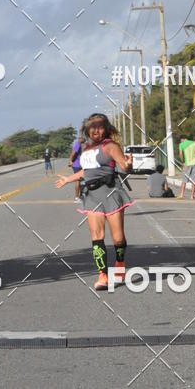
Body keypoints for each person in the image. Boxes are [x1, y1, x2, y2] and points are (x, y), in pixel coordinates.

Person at [55, 113, 133, 290]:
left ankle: (120, 264)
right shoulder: (87, 148)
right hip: (91, 195)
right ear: (87, 129)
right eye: (92, 127)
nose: (96, 130)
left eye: (100, 127)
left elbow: (124, 165)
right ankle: (103, 275)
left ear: (106, 129)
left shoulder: (110, 146)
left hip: (111, 193)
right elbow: (87, 171)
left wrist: (128, 165)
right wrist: (68, 179)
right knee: (97, 237)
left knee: (118, 238)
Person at [178, 135, 195, 200]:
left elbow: (180, 154)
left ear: (182, 139)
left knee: (184, 180)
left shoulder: (181, 144)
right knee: (194, 180)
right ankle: (192, 196)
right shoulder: (194, 143)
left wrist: (183, 162)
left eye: (180, 140)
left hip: (187, 164)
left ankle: (181, 195)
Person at [69, 134, 83, 200]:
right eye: (84, 139)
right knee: (78, 181)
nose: (85, 140)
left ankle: (80, 195)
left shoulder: (77, 143)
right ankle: (77, 197)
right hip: (77, 165)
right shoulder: (78, 144)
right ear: (81, 138)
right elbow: (73, 153)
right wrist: (70, 161)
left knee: (81, 180)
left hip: (78, 165)